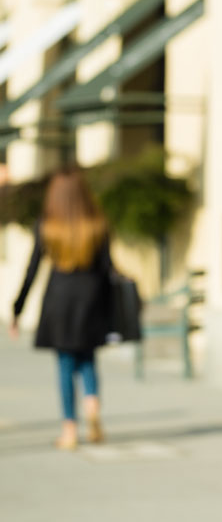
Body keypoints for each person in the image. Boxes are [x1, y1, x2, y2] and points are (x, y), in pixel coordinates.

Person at [10, 167, 114, 450]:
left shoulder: (47, 224)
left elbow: (32, 269)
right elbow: (108, 269)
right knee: (88, 359)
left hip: (60, 298)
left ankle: (69, 429)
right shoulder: (97, 223)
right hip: (91, 298)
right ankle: (92, 406)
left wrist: (16, 309)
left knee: (65, 364)